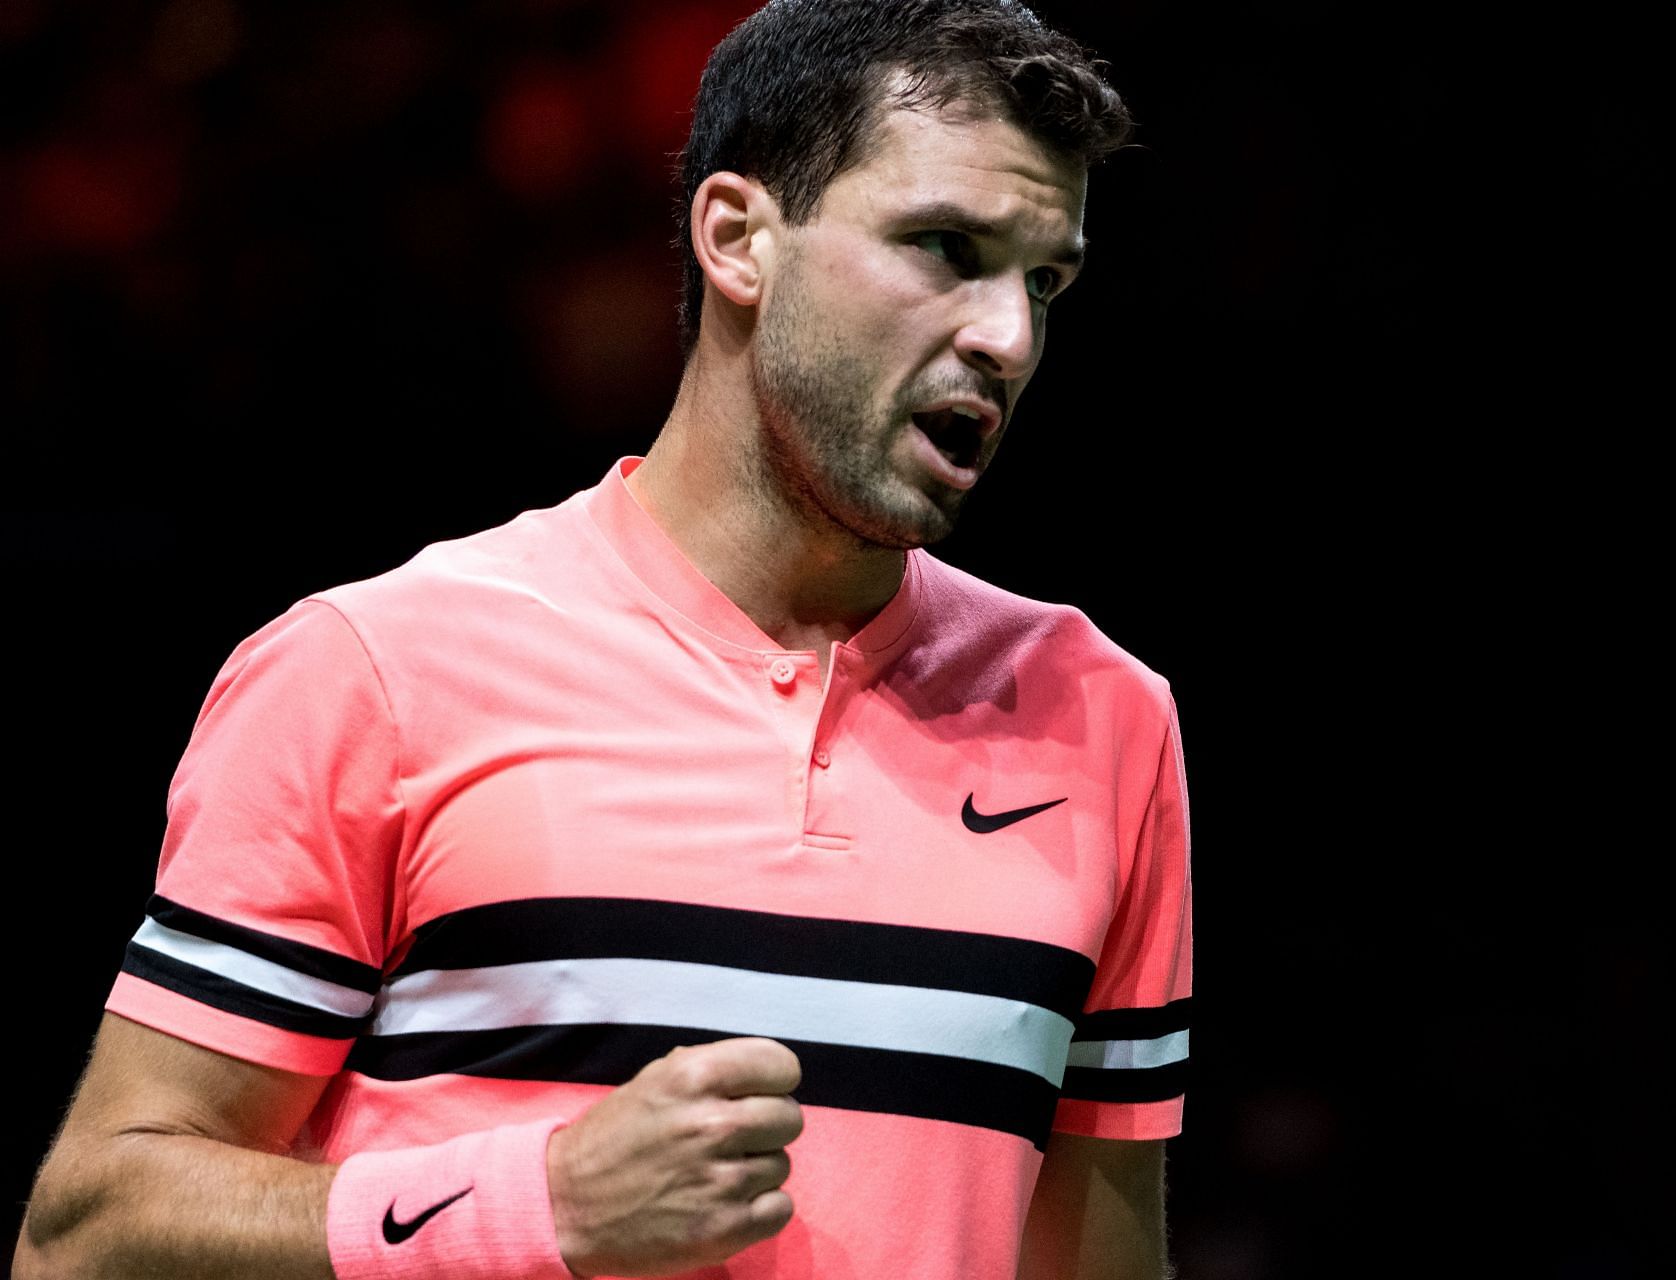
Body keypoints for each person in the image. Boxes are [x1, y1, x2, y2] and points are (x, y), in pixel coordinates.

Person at [15, 1, 1191, 1276]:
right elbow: (87, 1235)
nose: (1008, 337)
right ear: (738, 236)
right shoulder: (377, 667)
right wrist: (537, 1205)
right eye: (945, 246)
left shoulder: (1103, 717)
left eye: (1044, 280)